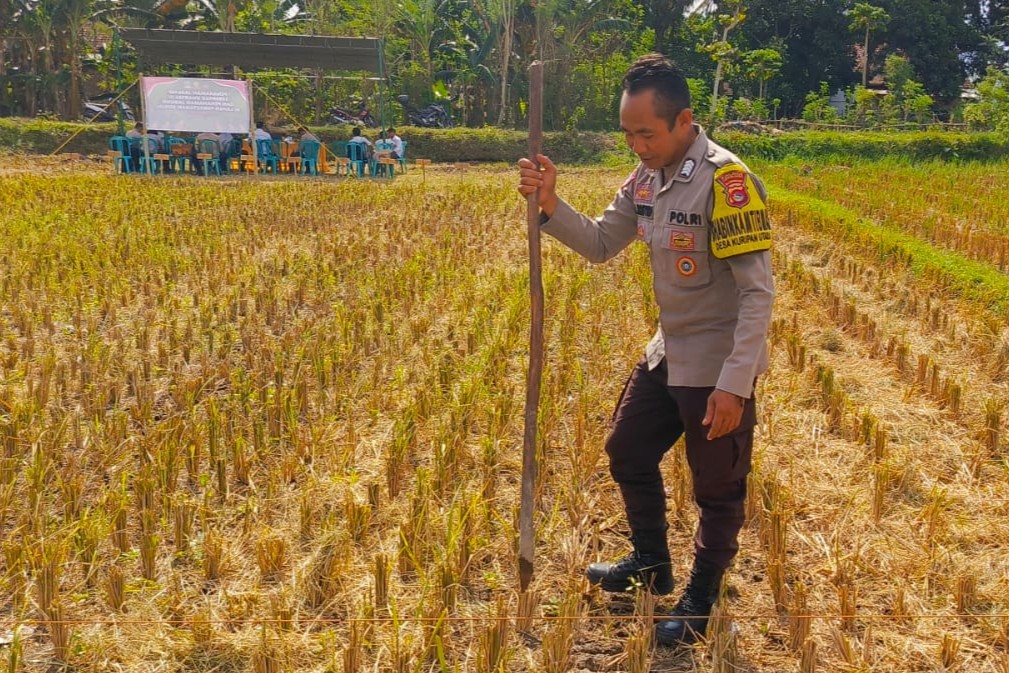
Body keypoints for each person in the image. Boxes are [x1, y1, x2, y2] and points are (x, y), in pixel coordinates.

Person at [517, 53, 773, 648]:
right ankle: (652, 565)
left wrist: (735, 385)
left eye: (646, 133)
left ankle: (702, 598)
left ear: (684, 120)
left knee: (716, 487)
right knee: (626, 449)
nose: (635, 144)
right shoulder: (645, 179)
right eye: (628, 132)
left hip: (715, 365)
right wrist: (551, 204)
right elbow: (603, 242)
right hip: (669, 351)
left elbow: (757, 294)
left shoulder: (729, 183)